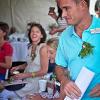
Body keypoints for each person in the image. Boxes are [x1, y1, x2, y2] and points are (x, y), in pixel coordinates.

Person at [55, 0, 100, 100]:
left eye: (66, 8)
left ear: (82, 5)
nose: (63, 15)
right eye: (61, 9)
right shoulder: (65, 36)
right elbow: (59, 66)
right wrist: (64, 80)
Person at [1, 22, 49, 100]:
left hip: (36, 83)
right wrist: (18, 67)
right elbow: (29, 63)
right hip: (26, 80)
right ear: (29, 34)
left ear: (42, 35)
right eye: (32, 31)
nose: (34, 33)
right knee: (5, 90)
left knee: (5, 94)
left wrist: (25, 75)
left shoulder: (43, 48)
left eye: (37, 31)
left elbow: (44, 71)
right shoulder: (30, 47)